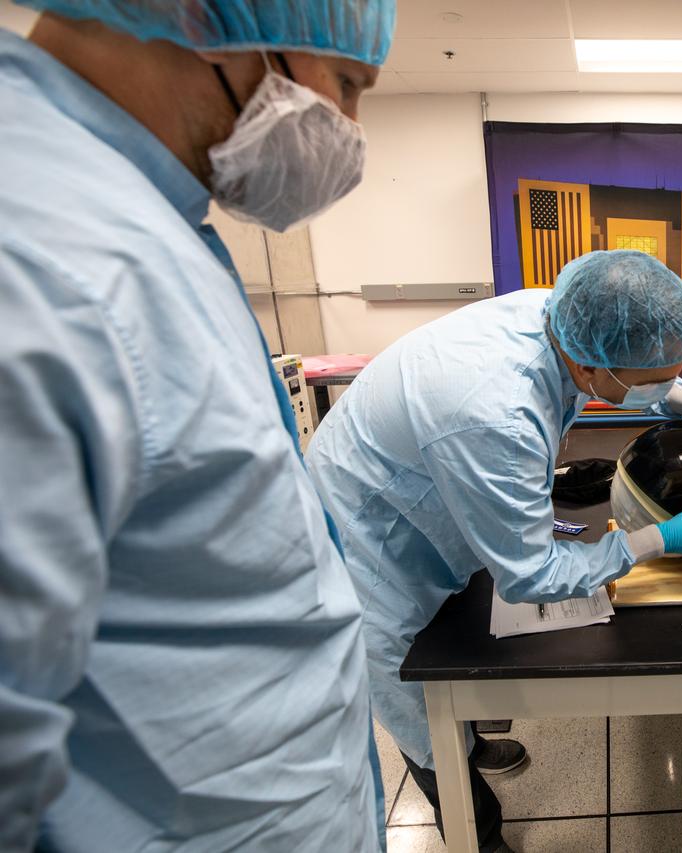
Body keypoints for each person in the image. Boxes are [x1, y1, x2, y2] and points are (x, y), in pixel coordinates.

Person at [0, 2, 395, 851]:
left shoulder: (147, 222)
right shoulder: (44, 260)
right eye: (348, 85)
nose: (351, 130)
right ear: (209, 18)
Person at [307, 249, 682, 853]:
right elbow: (530, 575)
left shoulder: (561, 313)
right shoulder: (494, 413)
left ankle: (470, 740)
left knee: (451, 659)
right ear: (588, 362)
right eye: (656, 380)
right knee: (418, 698)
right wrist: (658, 540)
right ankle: (479, 832)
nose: (663, 386)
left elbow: (627, 370)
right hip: (367, 543)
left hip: (425, 493)